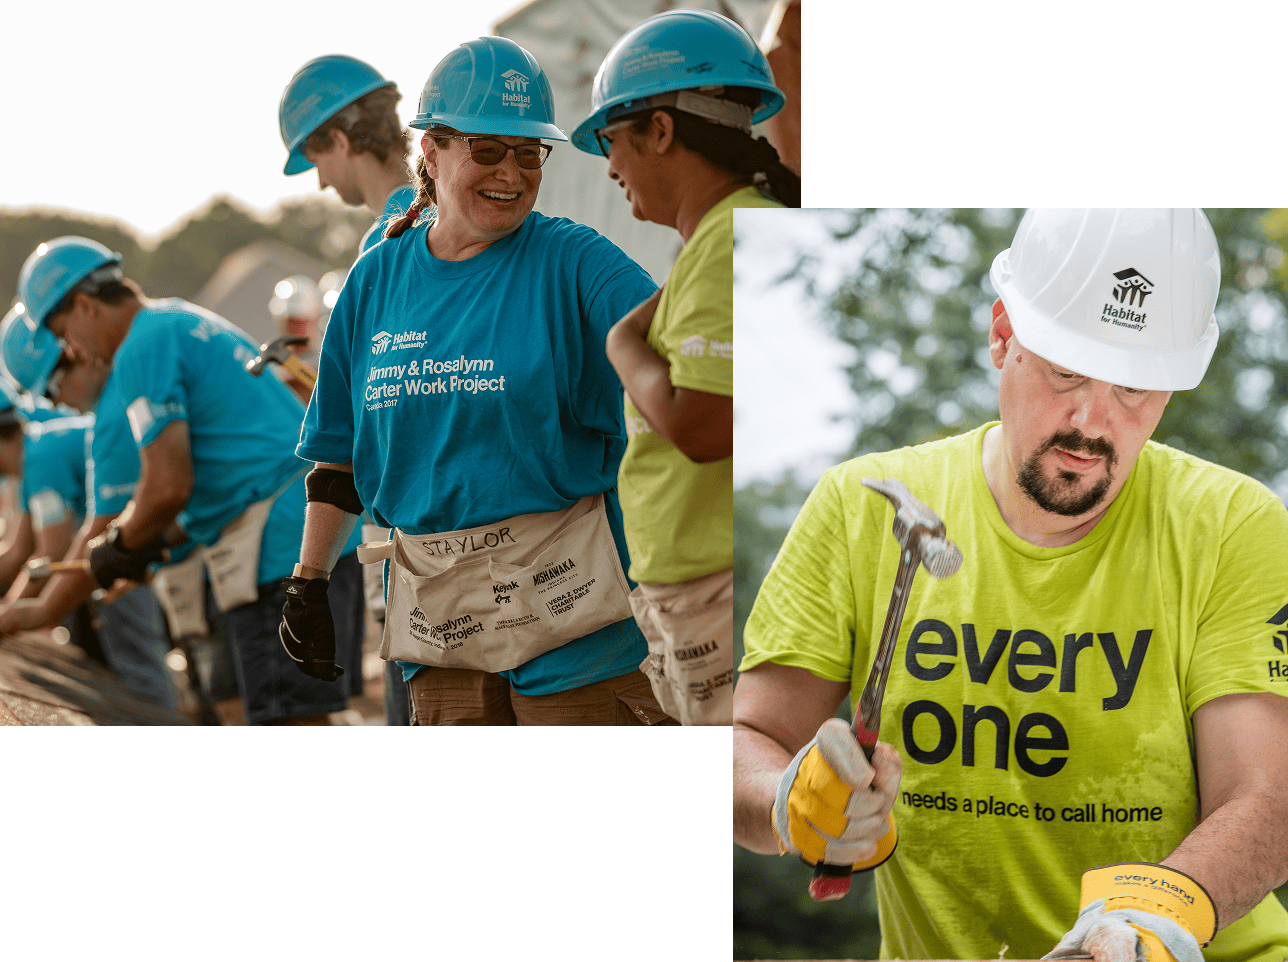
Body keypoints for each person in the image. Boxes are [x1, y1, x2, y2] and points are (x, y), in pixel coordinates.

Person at [732, 209, 1288, 962]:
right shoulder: (860, 505)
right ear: (1003, 335)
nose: (1093, 422)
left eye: (1136, 387)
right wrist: (789, 797)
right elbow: (746, 739)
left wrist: (1152, 920)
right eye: (1066, 370)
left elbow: (1265, 795)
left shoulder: (1234, 526)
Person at [284, 36, 672, 726]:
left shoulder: (574, 263)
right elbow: (339, 458)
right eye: (488, 151)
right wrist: (308, 582)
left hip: (573, 641)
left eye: (530, 154)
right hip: (444, 649)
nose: (512, 174)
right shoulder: (377, 278)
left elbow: (683, 358)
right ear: (432, 151)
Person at [14, 236, 365, 726]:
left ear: (85, 306)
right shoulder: (174, 318)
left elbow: (166, 488)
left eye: (62, 333)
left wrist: (112, 552)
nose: (75, 350)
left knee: (291, 727)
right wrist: (143, 548)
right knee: (290, 719)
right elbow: (204, 488)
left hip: (280, 548)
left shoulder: (141, 344)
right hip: (305, 533)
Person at [571, 9, 799, 726]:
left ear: (661, 131)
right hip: (692, 591)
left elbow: (703, 425)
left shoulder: (731, 234)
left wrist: (621, 347)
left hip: (716, 591)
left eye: (612, 140)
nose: (609, 166)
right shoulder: (718, 237)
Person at [281, 56, 416, 725]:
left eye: (315, 157)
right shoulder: (454, 220)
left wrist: (308, 578)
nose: (320, 179)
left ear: (339, 139)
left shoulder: (386, 245)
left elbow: (356, 439)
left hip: (424, 567)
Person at [0, 306, 178, 709]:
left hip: (132, 542)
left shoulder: (41, 458)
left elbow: (50, 552)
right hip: (131, 539)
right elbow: (21, 548)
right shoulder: (36, 457)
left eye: (50, 390)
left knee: (135, 650)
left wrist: (20, 611)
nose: (58, 404)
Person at [279, 54, 416, 255]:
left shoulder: (382, 250)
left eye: (316, 162)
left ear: (339, 141)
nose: (322, 183)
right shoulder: (455, 214)